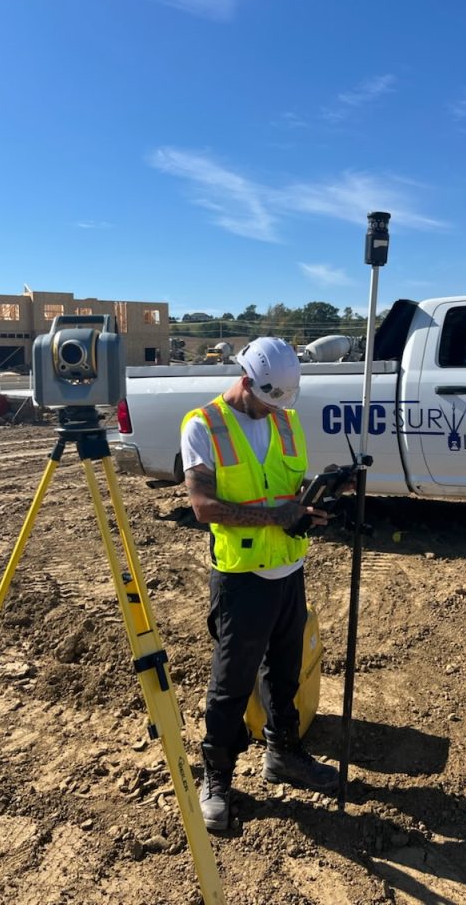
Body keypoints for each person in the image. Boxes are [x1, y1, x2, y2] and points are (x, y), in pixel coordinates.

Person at [180, 336, 339, 831]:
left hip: (289, 570)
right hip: (242, 580)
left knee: (285, 673)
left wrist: (316, 498)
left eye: (281, 403)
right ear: (246, 381)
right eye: (268, 400)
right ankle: (218, 778)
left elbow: (287, 486)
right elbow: (204, 508)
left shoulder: (286, 419)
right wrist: (280, 515)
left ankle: (284, 755)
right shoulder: (203, 426)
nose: (275, 411)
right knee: (230, 687)